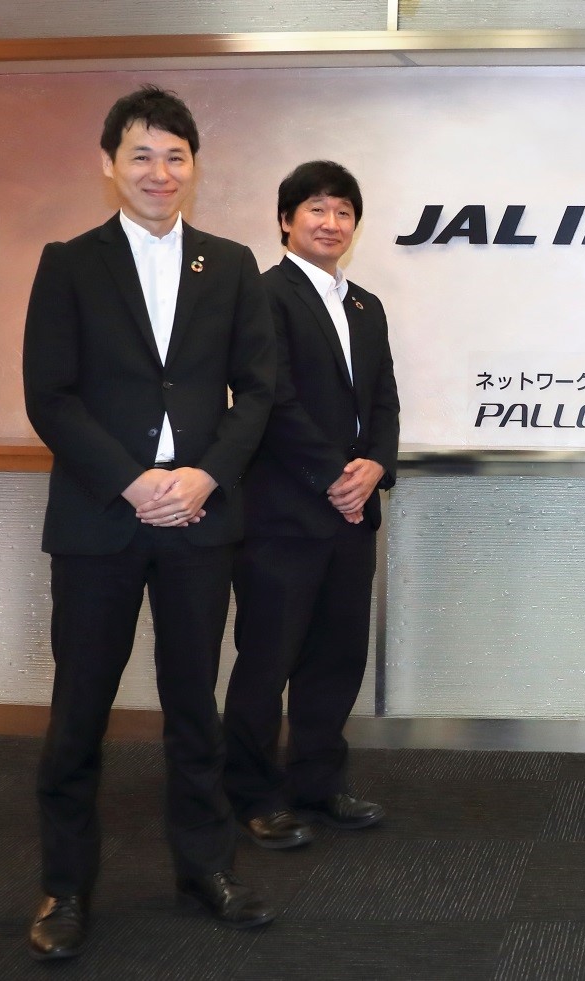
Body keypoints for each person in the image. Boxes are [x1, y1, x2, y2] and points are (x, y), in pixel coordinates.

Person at [22, 85, 277, 959]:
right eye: (141, 154)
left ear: (193, 166)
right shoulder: (69, 263)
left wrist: (205, 474)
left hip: (200, 518)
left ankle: (206, 867)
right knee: (79, 711)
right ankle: (64, 886)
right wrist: (133, 482)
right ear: (109, 165)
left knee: (194, 704)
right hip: (102, 518)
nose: (159, 171)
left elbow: (259, 391)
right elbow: (50, 395)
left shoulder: (231, 264)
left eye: (175, 156)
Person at [223, 161, 399, 850]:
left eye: (343, 211)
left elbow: (383, 400)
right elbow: (273, 400)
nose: (331, 223)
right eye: (316, 209)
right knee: (268, 658)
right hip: (282, 513)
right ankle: (252, 793)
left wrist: (375, 466)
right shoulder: (264, 296)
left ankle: (318, 782)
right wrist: (335, 477)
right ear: (285, 220)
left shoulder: (366, 306)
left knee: (336, 656)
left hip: (352, 515)